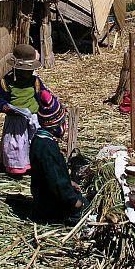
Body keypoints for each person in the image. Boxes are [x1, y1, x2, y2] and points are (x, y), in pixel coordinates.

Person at [29, 90, 88, 225]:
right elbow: (56, 182)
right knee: (87, 206)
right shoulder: (47, 148)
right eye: (62, 123)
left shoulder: (39, 139)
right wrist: (74, 201)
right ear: (55, 125)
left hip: (43, 198)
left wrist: (69, 182)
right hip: (50, 207)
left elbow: (52, 173)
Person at [0, 44, 48, 176]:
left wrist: (49, 101)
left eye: (29, 70)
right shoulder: (7, 82)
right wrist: (5, 107)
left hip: (33, 119)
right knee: (16, 145)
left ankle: (32, 165)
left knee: (34, 142)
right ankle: (16, 167)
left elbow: (43, 94)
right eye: (23, 70)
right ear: (15, 68)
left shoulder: (35, 81)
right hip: (15, 121)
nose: (26, 73)